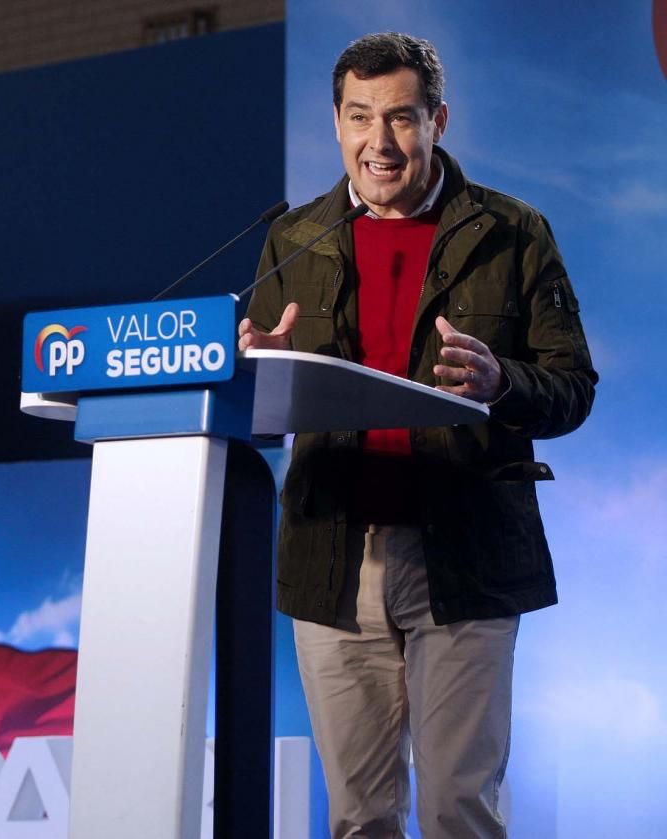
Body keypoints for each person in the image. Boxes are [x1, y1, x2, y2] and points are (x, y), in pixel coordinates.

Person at [237, 32, 597, 838]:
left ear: (439, 119)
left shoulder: (513, 232)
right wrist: (252, 373)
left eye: (401, 118)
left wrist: (504, 382)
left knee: (455, 811)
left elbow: (574, 390)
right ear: (335, 123)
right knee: (360, 817)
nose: (380, 142)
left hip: (463, 553)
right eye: (360, 117)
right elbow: (255, 410)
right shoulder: (290, 239)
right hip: (333, 557)